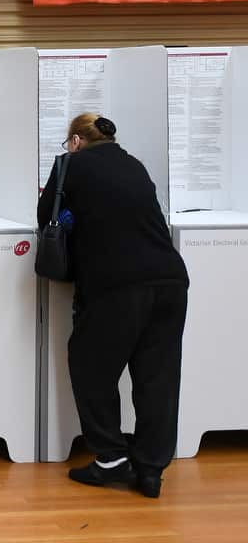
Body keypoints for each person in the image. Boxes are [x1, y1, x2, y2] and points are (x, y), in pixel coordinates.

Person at [38, 114, 188, 499]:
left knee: (90, 366)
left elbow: (45, 219)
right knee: (158, 379)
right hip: (170, 279)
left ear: (75, 141)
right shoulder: (134, 164)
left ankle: (110, 459)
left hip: (117, 284)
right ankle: (151, 469)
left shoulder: (70, 165)